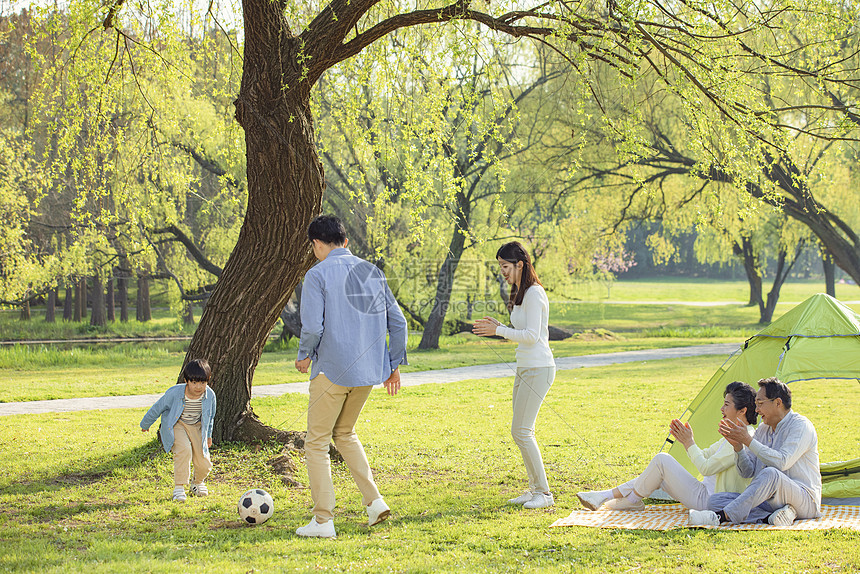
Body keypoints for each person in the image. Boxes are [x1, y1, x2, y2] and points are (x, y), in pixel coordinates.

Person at [294, 215, 408, 539]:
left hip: (331, 370)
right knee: (344, 434)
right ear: (345, 241)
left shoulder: (316, 275)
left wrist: (304, 354)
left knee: (315, 443)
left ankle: (322, 520)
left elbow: (314, 326)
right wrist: (393, 365)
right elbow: (398, 323)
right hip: (366, 373)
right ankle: (374, 502)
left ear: (317, 244)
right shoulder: (373, 272)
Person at [577, 382, 757, 512]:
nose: (721, 409)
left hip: (711, 501)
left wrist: (689, 442)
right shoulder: (734, 434)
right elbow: (704, 455)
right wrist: (688, 441)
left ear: (742, 411)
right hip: (705, 492)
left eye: (726, 405)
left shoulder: (744, 436)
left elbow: (706, 468)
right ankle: (609, 496)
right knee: (659, 473)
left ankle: (626, 499)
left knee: (662, 460)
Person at [473, 241, 556, 509]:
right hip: (525, 367)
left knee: (522, 431)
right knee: (519, 431)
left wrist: (498, 332)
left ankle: (544, 493)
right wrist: (499, 326)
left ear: (520, 265)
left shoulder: (534, 293)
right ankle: (534, 490)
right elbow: (520, 328)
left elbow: (532, 336)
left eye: (505, 266)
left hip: (539, 368)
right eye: (500, 267)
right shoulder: (519, 292)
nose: (503, 272)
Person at [689, 377, 822, 527]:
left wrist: (748, 440)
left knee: (771, 473)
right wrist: (738, 448)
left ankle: (720, 517)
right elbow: (748, 472)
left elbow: (782, 462)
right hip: (770, 503)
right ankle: (770, 518)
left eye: (760, 404)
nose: (757, 411)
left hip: (804, 500)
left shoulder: (801, 426)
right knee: (715, 500)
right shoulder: (763, 429)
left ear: (778, 403)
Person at [140, 359, 216, 502]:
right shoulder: (174, 393)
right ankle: (179, 488)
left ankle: (197, 482)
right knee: (184, 450)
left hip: (196, 426)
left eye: (203, 383)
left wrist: (209, 436)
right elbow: (158, 407)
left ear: (208, 380)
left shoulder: (210, 395)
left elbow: (210, 417)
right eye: (194, 382)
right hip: (177, 424)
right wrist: (146, 423)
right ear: (186, 380)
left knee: (204, 461)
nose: (199, 387)